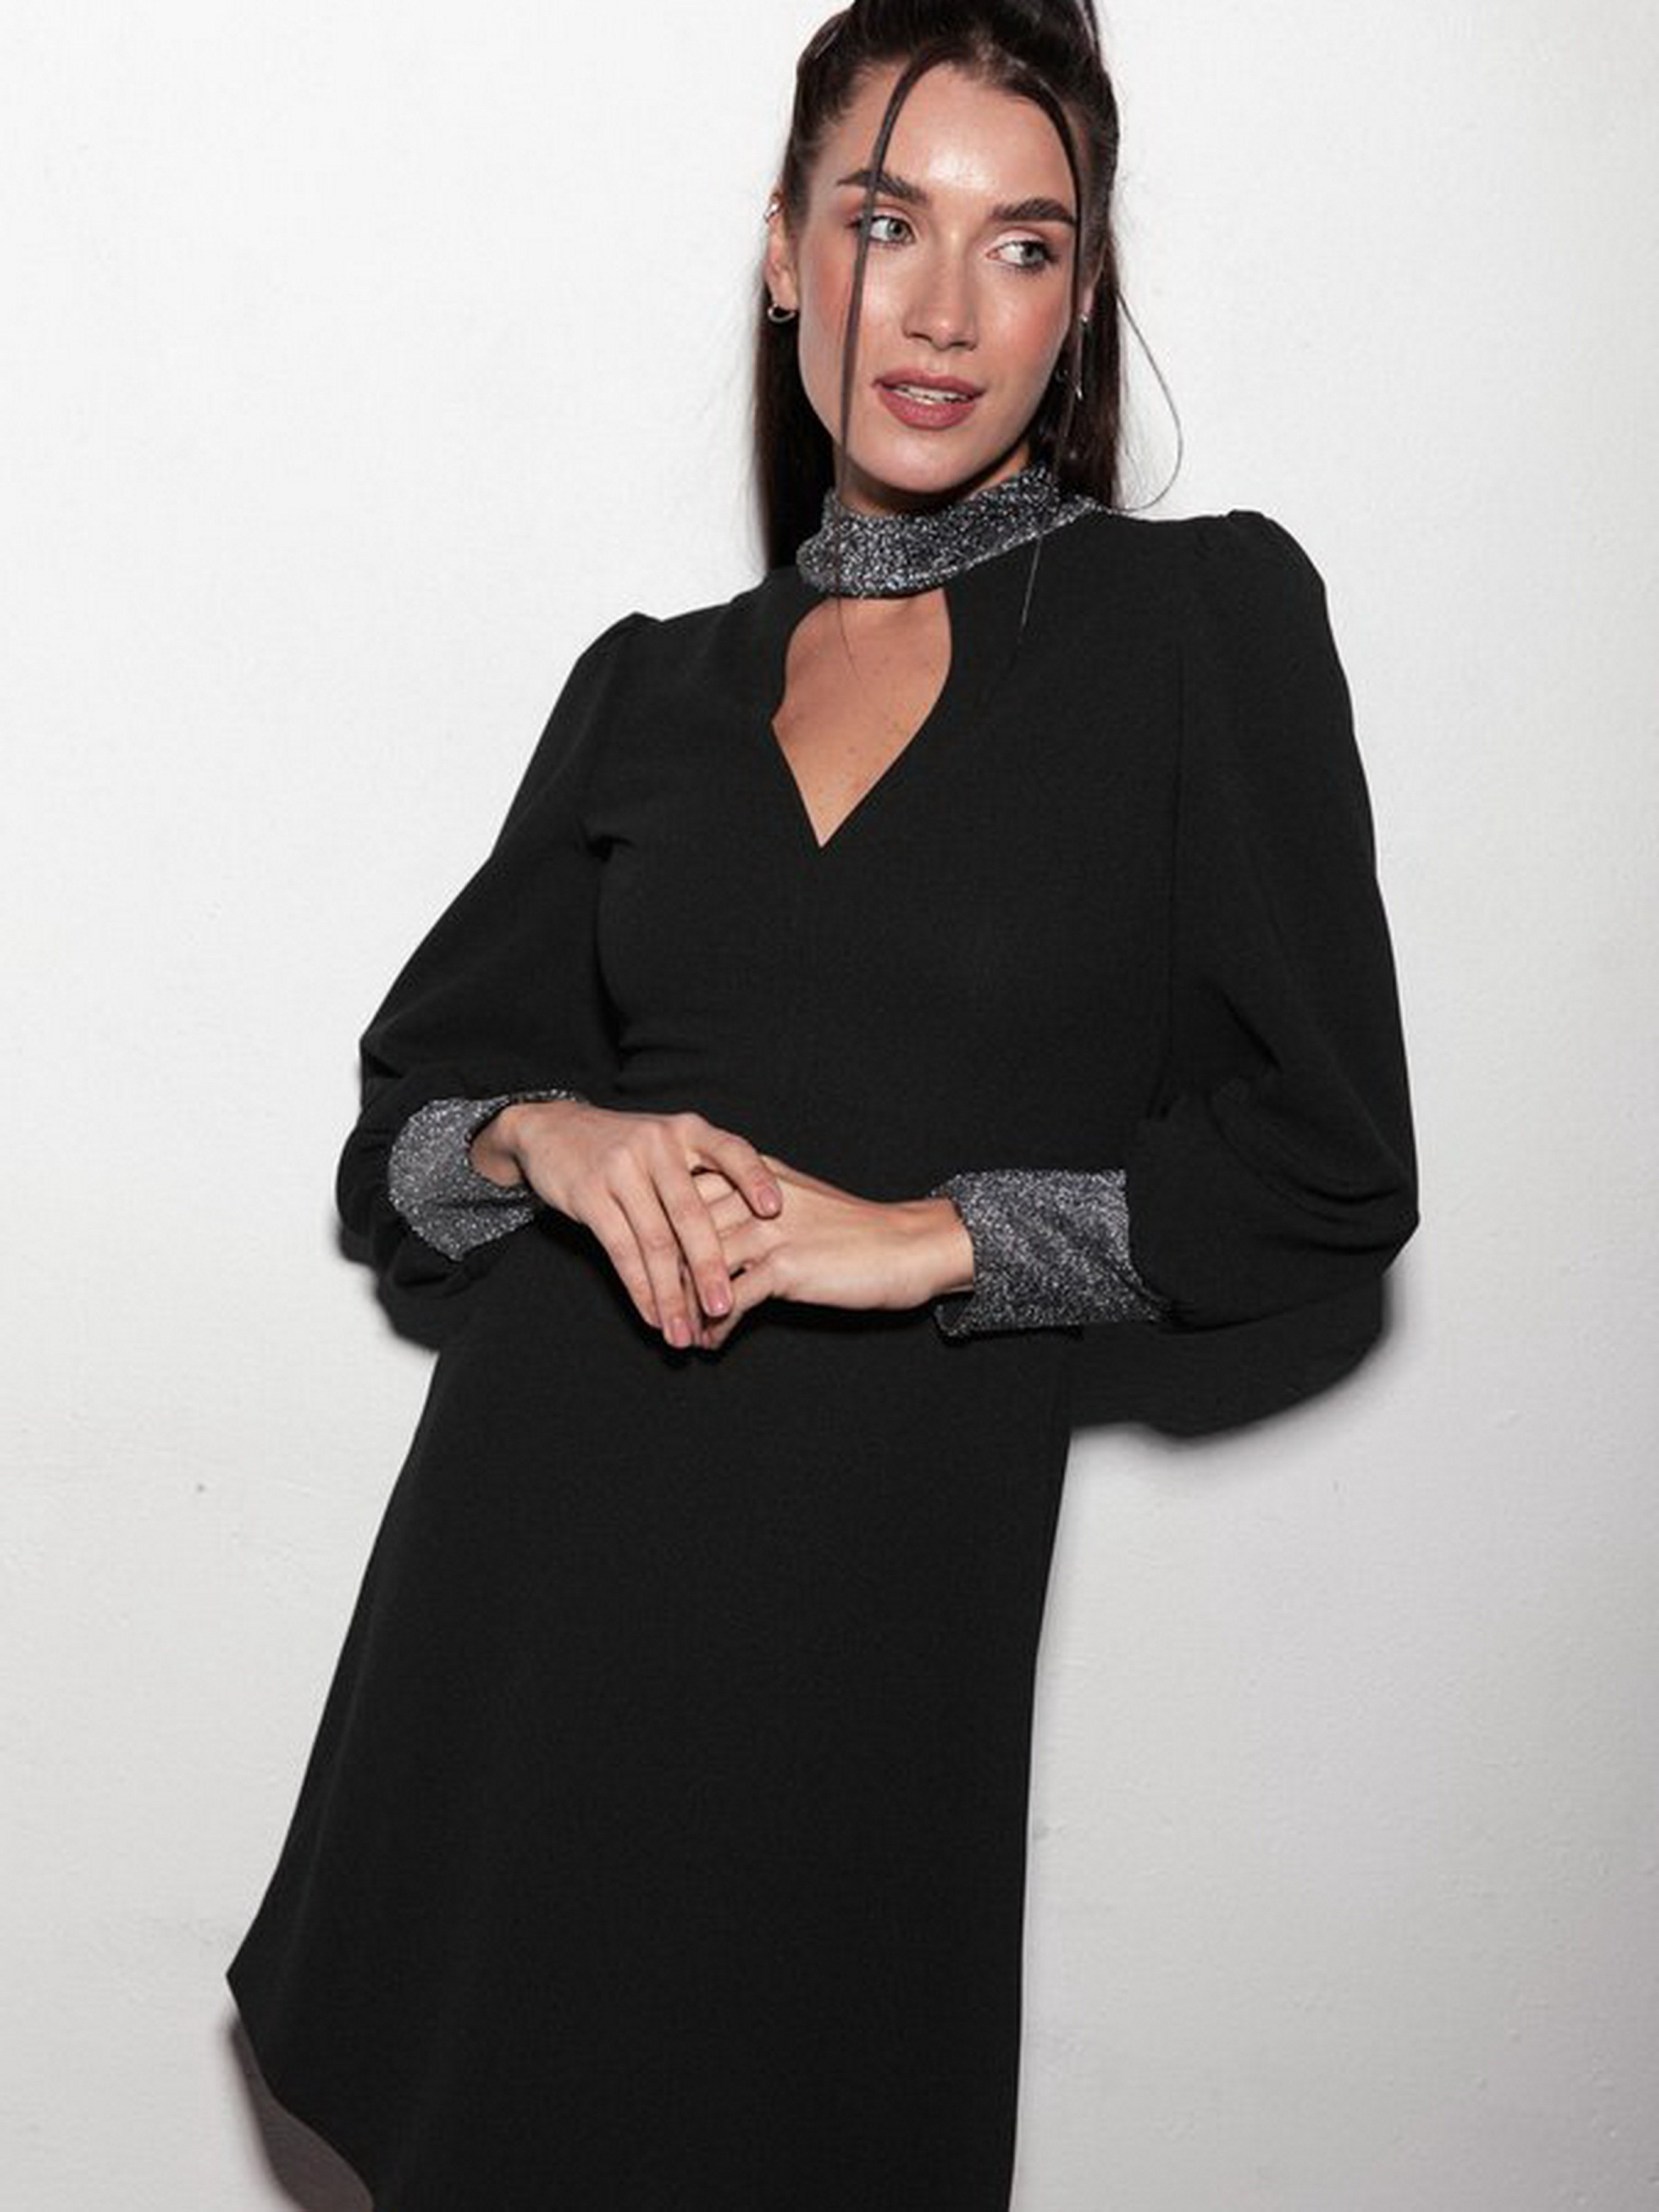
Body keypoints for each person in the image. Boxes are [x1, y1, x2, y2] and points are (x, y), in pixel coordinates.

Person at [225, 2, 1418, 2205]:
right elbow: (397, 1141)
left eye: (1022, 243)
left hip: (861, 1652)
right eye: (886, 222)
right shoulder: (644, 687)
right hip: (517, 1608)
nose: (945, 307)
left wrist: (929, 1238)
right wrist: (552, 1140)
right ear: (784, 253)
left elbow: (1330, 1165)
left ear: (1081, 297)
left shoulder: (1196, 624)